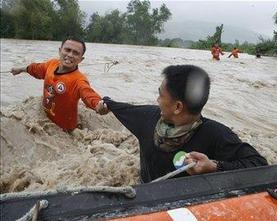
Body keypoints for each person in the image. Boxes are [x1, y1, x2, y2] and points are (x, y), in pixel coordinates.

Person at [103, 65, 268, 183]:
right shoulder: (147, 117)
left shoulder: (216, 134)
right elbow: (123, 108)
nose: (157, 100)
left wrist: (214, 166)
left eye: (160, 95)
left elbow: (259, 165)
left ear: (177, 107)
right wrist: (106, 104)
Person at [10, 37, 108, 131]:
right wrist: (21, 69)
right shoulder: (52, 64)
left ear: (81, 59)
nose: (70, 55)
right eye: (67, 50)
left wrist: (98, 106)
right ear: (60, 51)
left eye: (76, 53)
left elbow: (88, 95)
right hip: (44, 119)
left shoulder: (79, 80)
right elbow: (37, 68)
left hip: (64, 130)